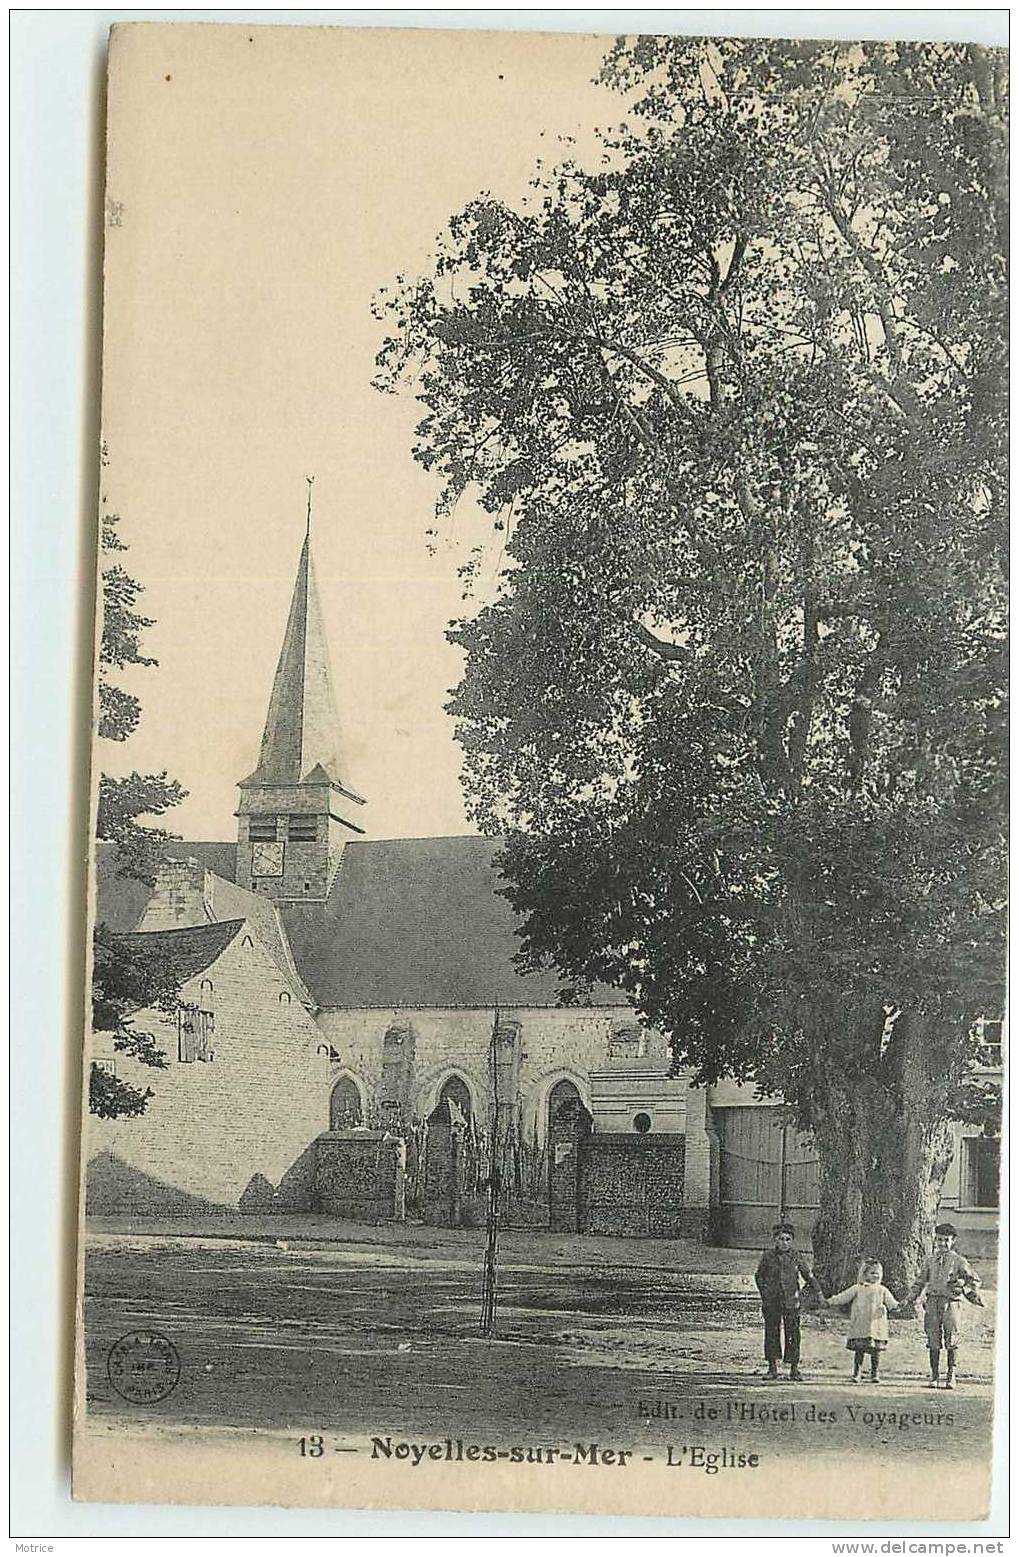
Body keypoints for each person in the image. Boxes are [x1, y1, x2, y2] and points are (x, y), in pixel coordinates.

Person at [908, 1222, 982, 1390]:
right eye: (939, 1240)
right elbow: (920, 1281)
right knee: (933, 1338)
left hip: (951, 1303)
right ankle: (934, 1375)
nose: (942, 1243)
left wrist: (962, 1284)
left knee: (951, 1338)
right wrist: (911, 1297)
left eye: (946, 1240)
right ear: (935, 1240)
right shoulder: (930, 1260)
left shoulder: (959, 1261)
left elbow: (975, 1281)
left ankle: (951, 1375)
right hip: (933, 1302)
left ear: (953, 1241)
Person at [754, 1221, 824, 1382]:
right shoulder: (768, 1256)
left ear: (791, 1241)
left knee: (793, 1334)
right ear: (775, 1240)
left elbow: (808, 1276)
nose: (784, 1242)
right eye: (780, 1239)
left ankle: (794, 1369)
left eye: (787, 1239)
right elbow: (759, 1276)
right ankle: (772, 1368)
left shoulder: (796, 1256)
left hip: (791, 1301)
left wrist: (819, 1293)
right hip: (772, 1302)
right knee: (772, 1332)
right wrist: (765, 1293)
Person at [825, 1259, 902, 1384]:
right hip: (861, 1324)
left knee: (875, 1352)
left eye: (878, 1273)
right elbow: (843, 1297)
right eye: (872, 1273)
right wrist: (830, 1301)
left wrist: (897, 1306)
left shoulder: (882, 1290)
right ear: (864, 1274)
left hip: (876, 1325)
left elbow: (891, 1303)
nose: (875, 1276)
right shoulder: (858, 1288)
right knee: (859, 1350)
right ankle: (857, 1373)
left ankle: (875, 1373)